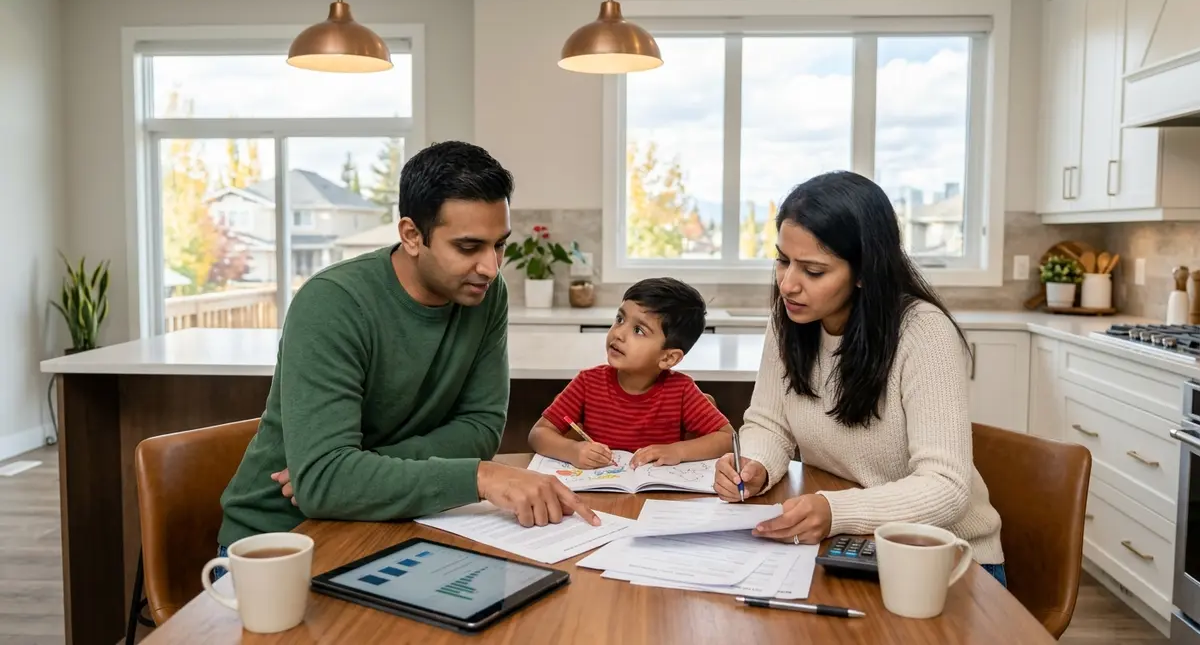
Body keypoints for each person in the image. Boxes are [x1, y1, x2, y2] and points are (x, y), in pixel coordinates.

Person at [217, 141, 599, 558]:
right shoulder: (332, 302)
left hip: (396, 523)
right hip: (279, 542)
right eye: (469, 247)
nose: (491, 267)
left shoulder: (487, 294)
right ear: (412, 236)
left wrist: (359, 468)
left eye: (500, 244)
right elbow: (323, 487)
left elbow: (481, 429)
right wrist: (480, 477)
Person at [712, 171, 1006, 587]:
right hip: (850, 545)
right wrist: (755, 464)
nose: (787, 284)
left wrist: (835, 511)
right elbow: (768, 423)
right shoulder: (791, 321)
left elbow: (946, 487)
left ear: (865, 271)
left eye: (813, 270)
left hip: (947, 558)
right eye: (782, 259)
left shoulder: (924, 334)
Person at [527, 277, 734, 469]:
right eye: (619, 319)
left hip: (658, 498)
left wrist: (677, 451)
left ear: (668, 358)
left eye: (638, 330)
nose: (618, 333)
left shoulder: (681, 391)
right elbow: (538, 433)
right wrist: (572, 450)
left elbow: (727, 439)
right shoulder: (587, 383)